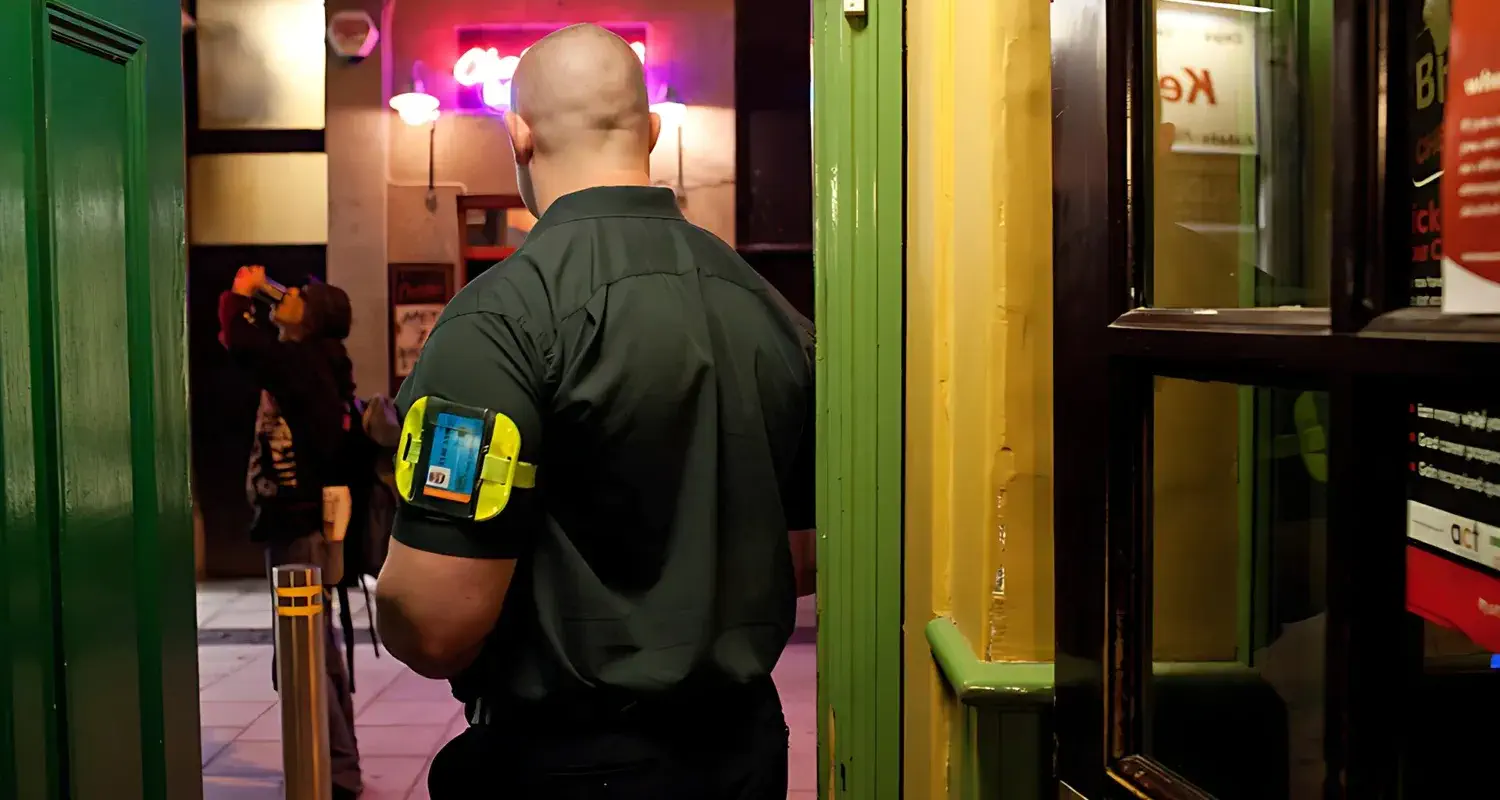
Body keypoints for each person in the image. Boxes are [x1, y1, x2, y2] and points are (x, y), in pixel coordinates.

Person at [373, 23, 815, 799]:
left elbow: (436, 623)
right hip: (746, 753)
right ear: (649, 131)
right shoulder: (772, 313)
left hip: (573, 766)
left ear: (518, 136)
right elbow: (803, 559)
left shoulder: (502, 321)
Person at [219, 266, 364, 799]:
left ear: (316, 318)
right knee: (316, 653)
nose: (289, 297)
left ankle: (330, 773)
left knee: (302, 655)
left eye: (300, 297)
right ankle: (339, 769)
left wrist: (237, 296)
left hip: (298, 529)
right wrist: (261, 302)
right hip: (303, 526)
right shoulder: (314, 362)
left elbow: (240, 342)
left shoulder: (304, 365)